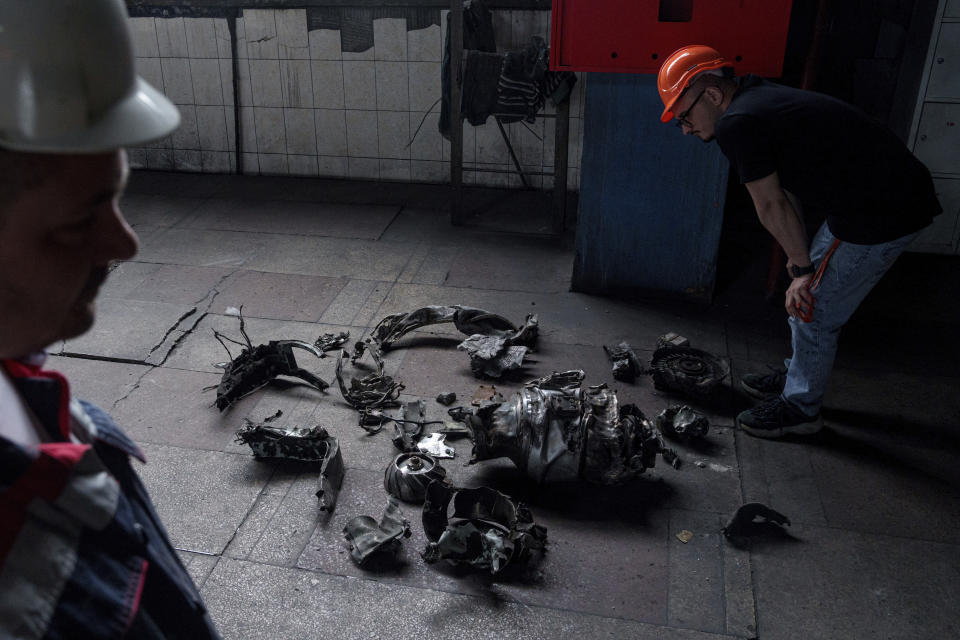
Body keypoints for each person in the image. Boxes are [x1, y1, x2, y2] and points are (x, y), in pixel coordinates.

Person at [0, 1, 221, 637]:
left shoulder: (47, 413)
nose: (126, 245)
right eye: (78, 221)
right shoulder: (25, 594)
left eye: (118, 200)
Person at [657, 45, 941, 439]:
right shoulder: (754, 101)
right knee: (806, 295)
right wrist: (799, 260)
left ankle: (801, 408)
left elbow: (770, 203)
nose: (685, 128)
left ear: (712, 94)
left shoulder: (736, 124)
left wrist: (804, 271)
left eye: (684, 116)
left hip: (881, 211)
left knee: (813, 309)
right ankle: (797, 374)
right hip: (867, 201)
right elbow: (782, 187)